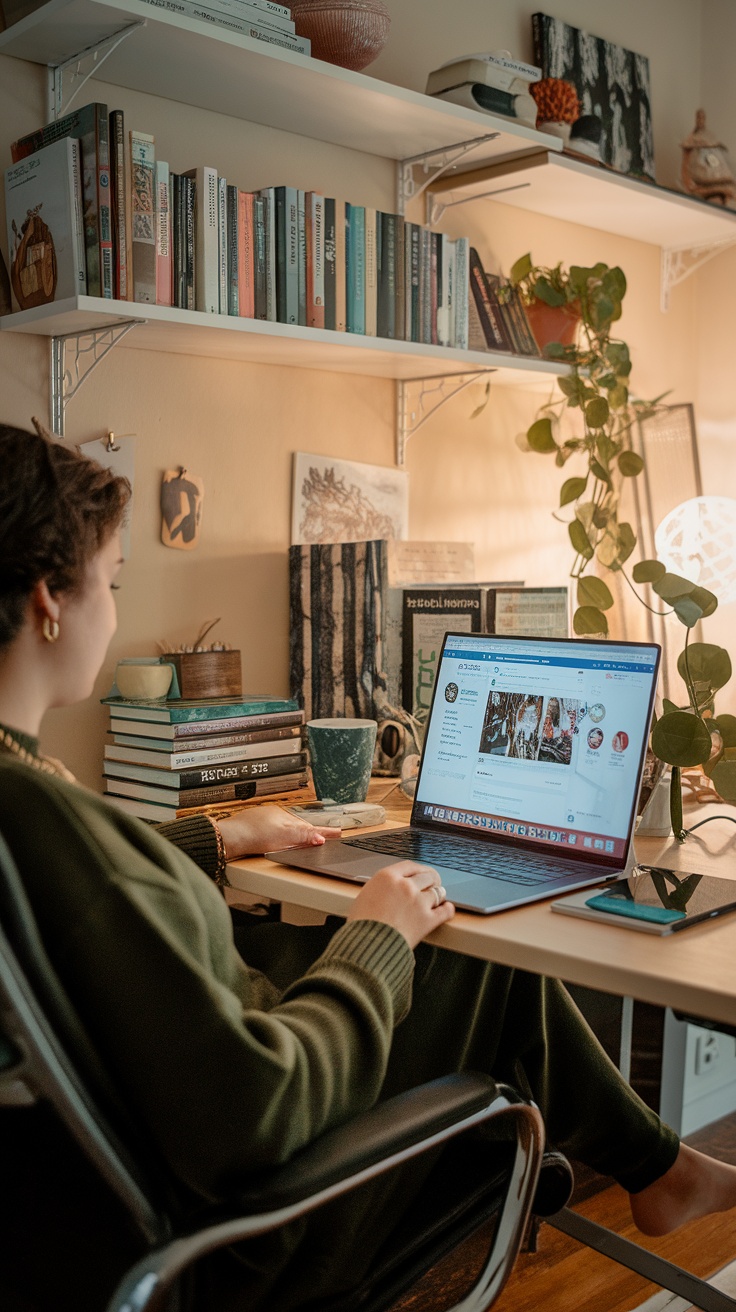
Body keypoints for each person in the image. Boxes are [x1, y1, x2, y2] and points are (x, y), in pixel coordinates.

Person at [1, 423, 736, 1312]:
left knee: (463, 926)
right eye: (112, 584)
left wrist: (218, 839)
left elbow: (96, 895)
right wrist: (373, 939)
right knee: (465, 941)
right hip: (255, 1236)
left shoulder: (25, 804)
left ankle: (657, 1167)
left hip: (137, 1167)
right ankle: (659, 1168)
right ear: (48, 597)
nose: (115, 612)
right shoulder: (38, 813)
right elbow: (261, 1103)